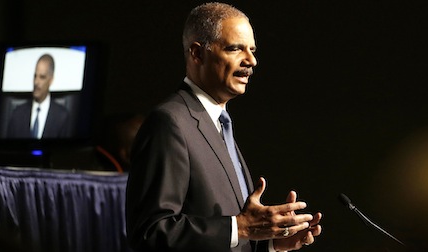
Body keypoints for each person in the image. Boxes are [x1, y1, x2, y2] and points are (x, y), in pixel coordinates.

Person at [126, 2, 322, 252]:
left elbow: (230, 231)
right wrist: (242, 228)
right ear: (197, 54)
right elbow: (149, 232)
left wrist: (269, 242)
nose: (251, 60)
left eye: (252, 49)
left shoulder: (219, 122)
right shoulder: (170, 122)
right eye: (235, 49)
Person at [6, 54, 70, 139]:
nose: (36, 82)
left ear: (51, 80)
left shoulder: (62, 116)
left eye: (42, 77)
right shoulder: (17, 114)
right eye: (35, 76)